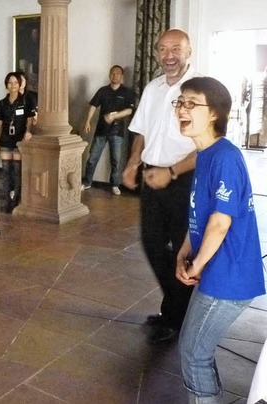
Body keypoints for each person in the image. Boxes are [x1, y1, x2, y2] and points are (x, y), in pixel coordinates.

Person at [174, 76, 265, 403]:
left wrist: (196, 264)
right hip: (216, 270)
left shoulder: (224, 156)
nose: (182, 110)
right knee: (195, 350)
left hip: (228, 275)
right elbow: (201, 209)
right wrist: (186, 249)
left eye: (191, 103)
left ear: (214, 113)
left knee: (193, 353)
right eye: (179, 103)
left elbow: (220, 222)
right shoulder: (205, 155)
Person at [122, 29, 199, 345]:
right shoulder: (153, 88)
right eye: (163, 49)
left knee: (183, 250)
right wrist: (132, 163)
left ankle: (177, 316)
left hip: (186, 180)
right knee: (152, 243)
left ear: (188, 51)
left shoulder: (200, 89)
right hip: (153, 177)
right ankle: (179, 309)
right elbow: (141, 132)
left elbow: (209, 144)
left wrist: (172, 171)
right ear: (155, 53)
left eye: (176, 49)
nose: (169, 55)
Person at [81, 65, 136, 195]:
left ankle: (115, 185)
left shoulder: (127, 92)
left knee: (115, 161)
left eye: (117, 73)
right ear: (109, 75)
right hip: (101, 130)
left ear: (122, 76)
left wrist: (114, 116)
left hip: (117, 132)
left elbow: (129, 110)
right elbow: (93, 106)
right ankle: (87, 182)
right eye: (112, 73)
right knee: (92, 158)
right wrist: (88, 121)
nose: (114, 75)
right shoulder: (103, 91)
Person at [0, 72, 34, 213]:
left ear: (20, 84)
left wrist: (28, 132)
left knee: (17, 171)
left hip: (19, 140)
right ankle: (7, 200)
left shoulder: (26, 101)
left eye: (15, 82)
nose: (13, 85)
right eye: (10, 83)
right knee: (6, 171)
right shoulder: (2, 103)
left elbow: (29, 120)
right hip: (5, 139)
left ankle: (17, 199)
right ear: (6, 85)